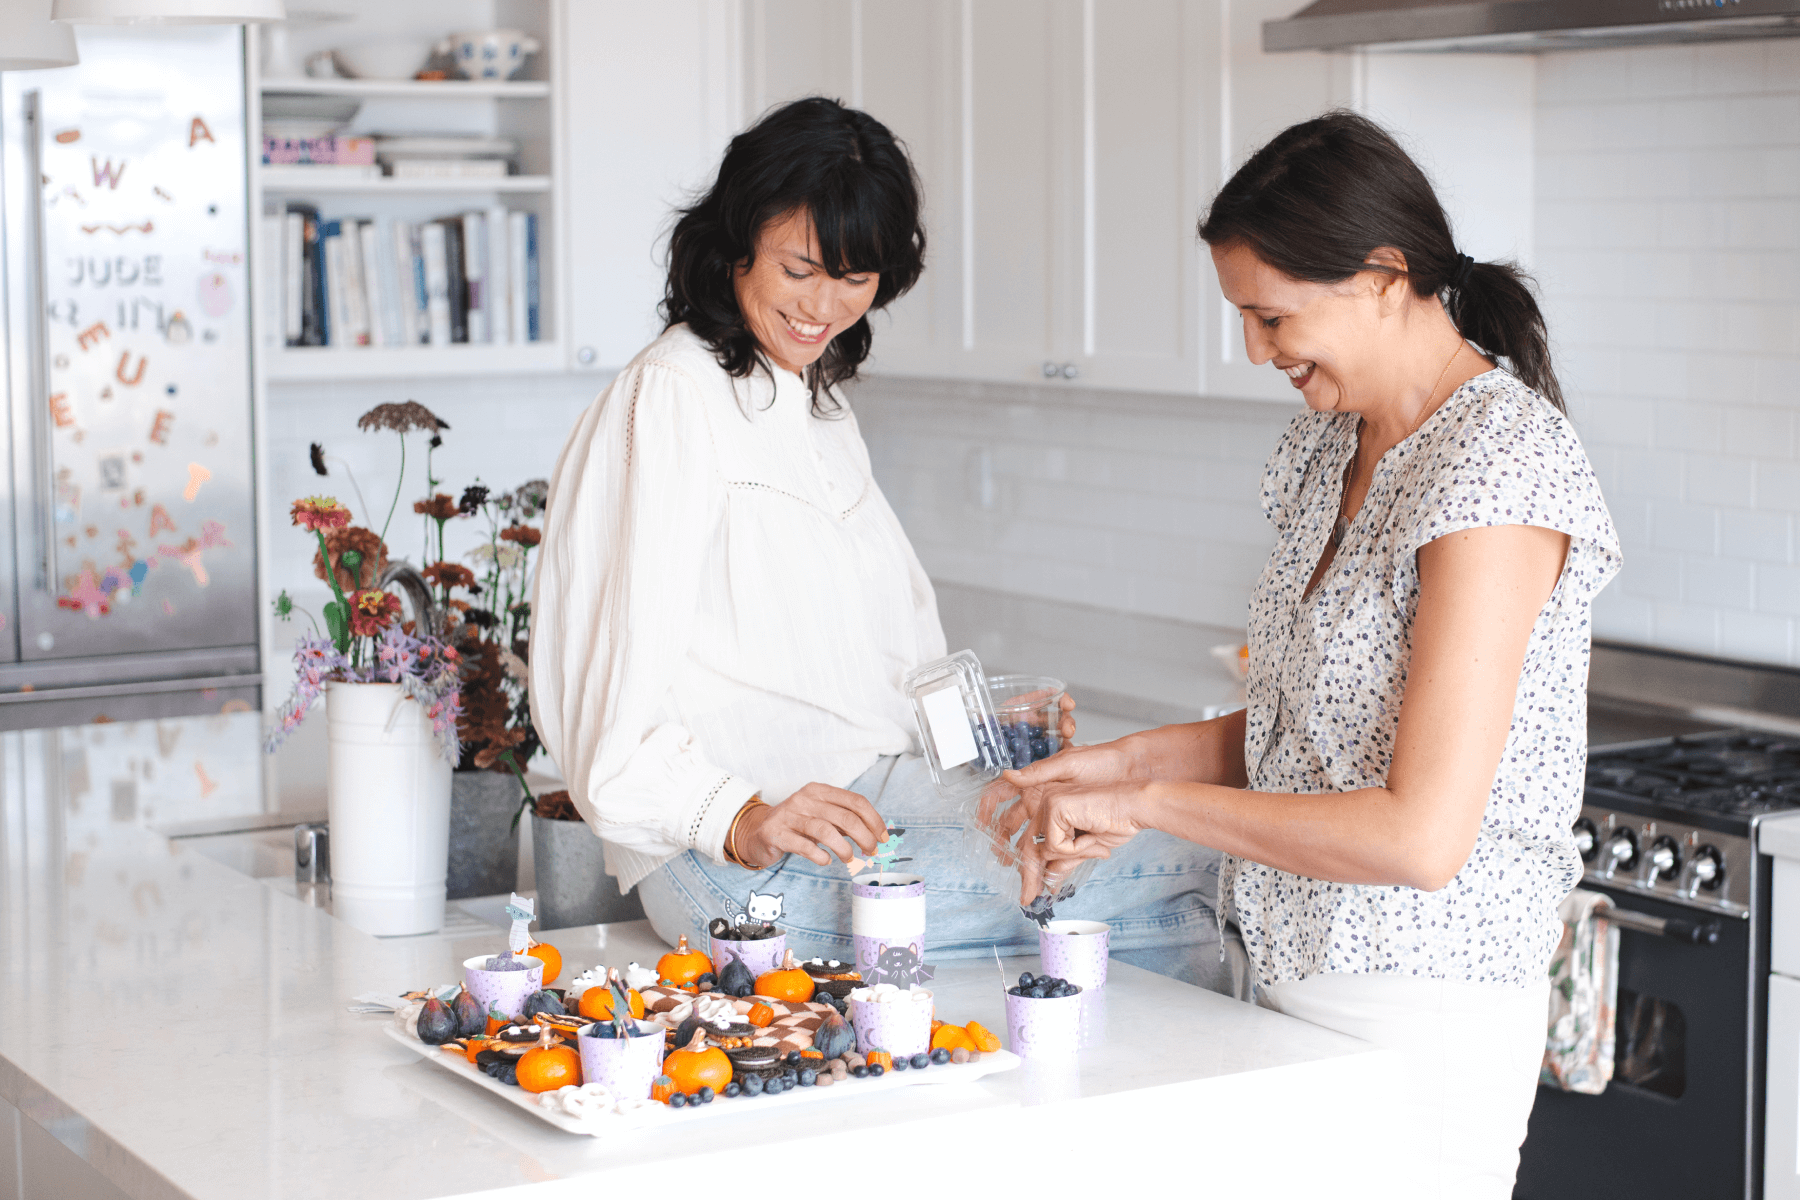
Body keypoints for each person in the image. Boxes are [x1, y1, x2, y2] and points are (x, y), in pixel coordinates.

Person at [995, 110, 1620, 1197]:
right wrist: (1110, 768)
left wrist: (1147, 808)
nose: (1256, 349)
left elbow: (1420, 835)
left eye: (1272, 316)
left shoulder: (1497, 464)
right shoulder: (1332, 442)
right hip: (1290, 980)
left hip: (1422, 1014)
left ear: (1383, 277)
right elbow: (1302, 735)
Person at [530, 96, 1229, 987]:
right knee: (1206, 861)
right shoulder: (671, 397)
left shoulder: (813, 403)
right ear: (736, 241)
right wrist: (737, 816)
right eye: (800, 268)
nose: (824, 307)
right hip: (738, 861)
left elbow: (877, 650)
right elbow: (601, 698)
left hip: (872, 801)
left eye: (855, 280)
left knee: (1157, 892)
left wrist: (985, 735)